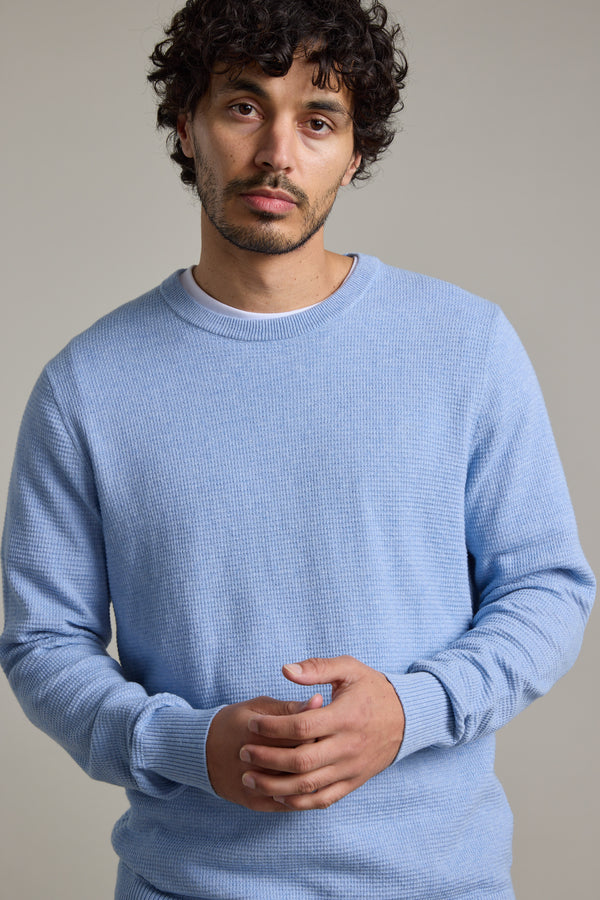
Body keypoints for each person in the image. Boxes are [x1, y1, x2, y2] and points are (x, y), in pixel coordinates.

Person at [0, 0, 594, 898]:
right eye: (244, 107)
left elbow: (548, 588)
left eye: (318, 120)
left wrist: (408, 710)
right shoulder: (87, 386)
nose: (278, 152)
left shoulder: (463, 344)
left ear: (354, 153)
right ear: (185, 125)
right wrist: (186, 746)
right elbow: (44, 642)